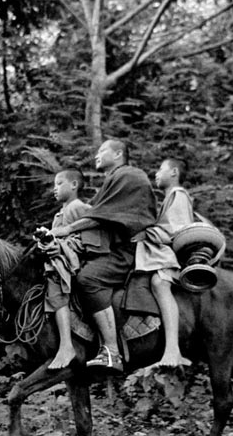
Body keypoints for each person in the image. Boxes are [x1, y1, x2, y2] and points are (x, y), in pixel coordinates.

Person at [48, 140, 156, 372]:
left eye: (101, 151)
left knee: (88, 278)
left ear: (118, 154)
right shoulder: (114, 180)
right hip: (109, 249)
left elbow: (104, 217)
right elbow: (101, 215)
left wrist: (67, 230)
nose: (96, 155)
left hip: (124, 252)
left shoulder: (130, 176)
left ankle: (111, 351)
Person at [135, 158, 196, 368]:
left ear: (175, 172)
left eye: (161, 169)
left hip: (172, 255)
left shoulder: (178, 195)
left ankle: (172, 349)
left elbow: (176, 230)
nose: (156, 174)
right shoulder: (170, 197)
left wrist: (146, 231)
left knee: (159, 283)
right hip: (162, 251)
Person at [35, 170, 91, 370]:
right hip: (60, 262)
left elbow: (87, 237)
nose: (54, 189)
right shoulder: (61, 213)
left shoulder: (78, 207)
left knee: (56, 287)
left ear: (74, 185)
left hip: (73, 264)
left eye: (59, 184)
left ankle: (67, 344)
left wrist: (61, 246)